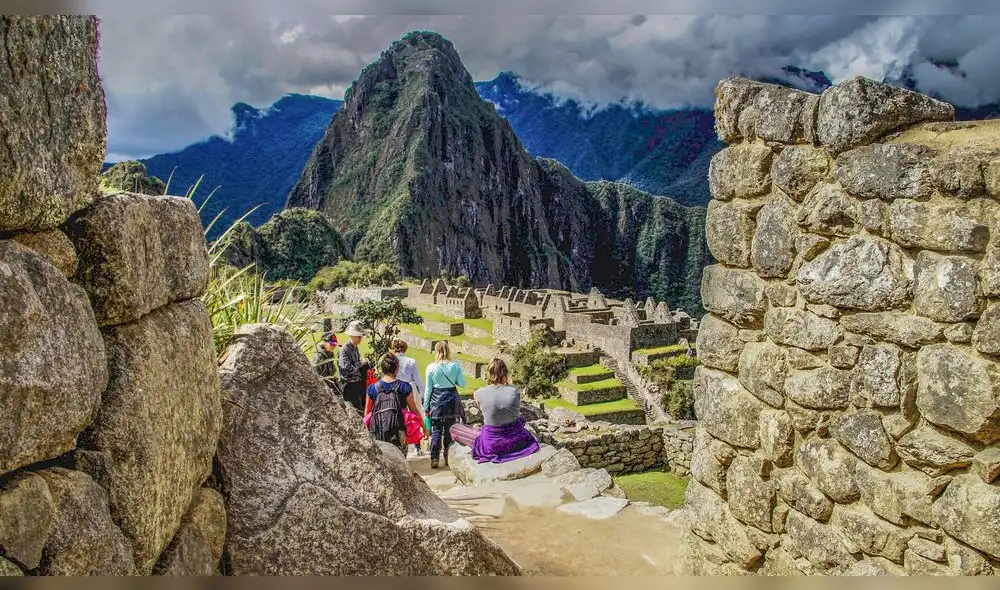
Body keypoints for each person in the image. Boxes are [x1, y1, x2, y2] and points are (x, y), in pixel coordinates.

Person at [450, 358, 540, 463]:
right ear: (505, 373)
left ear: (488, 374)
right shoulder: (514, 392)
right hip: (518, 442)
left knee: (454, 428)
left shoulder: (478, 393)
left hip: (492, 446)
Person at [364, 353, 430, 454]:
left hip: (378, 431)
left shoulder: (372, 388)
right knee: (400, 460)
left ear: (382, 369)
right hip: (399, 431)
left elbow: (367, 413)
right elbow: (414, 410)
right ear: (397, 368)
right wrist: (424, 428)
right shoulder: (404, 387)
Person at [424, 340, 466, 469]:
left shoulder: (431, 367)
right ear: (448, 351)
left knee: (436, 430)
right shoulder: (455, 366)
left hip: (436, 401)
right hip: (451, 402)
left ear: (436, 351)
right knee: (449, 431)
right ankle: (448, 457)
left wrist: (426, 406)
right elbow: (462, 383)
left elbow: (428, 389)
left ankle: (435, 458)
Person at [391, 338, 426, 456]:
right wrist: (424, 395)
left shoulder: (391, 360)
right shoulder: (410, 361)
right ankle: (417, 445)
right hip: (409, 388)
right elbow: (418, 381)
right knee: (414, 414)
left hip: (395, 389)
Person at [338, 320, 372, 415]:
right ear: (352, 335)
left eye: (361, 336)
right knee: (355, 412)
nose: (360, 339)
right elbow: (346, 368)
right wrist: (361, 363)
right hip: (349, 386)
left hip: (357, 384)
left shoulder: (354, 348)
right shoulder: (344, 349)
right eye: (358, 336)